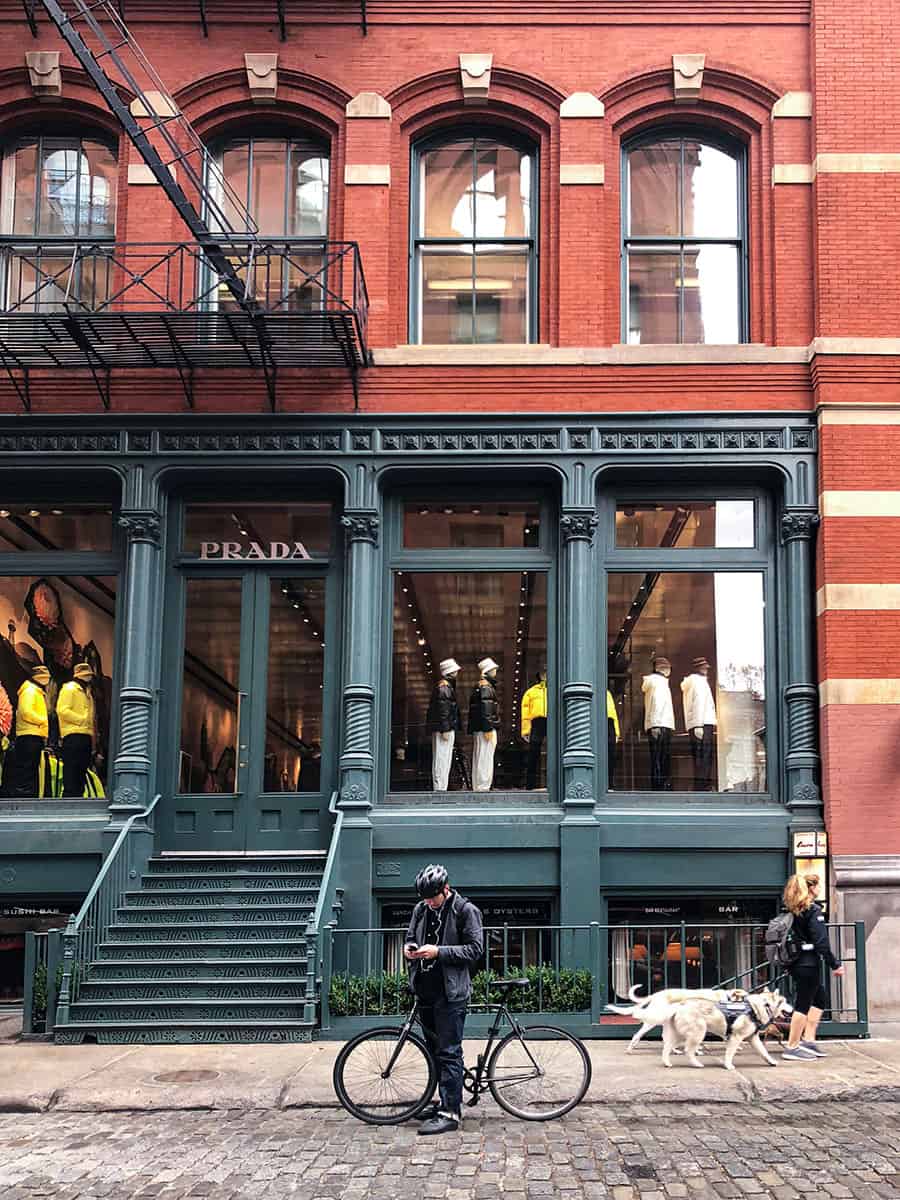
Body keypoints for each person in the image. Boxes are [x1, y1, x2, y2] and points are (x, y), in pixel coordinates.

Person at [404, 863, 484, 1135]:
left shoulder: (465, 911)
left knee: (449, 1052)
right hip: (425, 989)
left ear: (445, 889)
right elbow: (410, 936)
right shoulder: (421, 909)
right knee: (434, 1051)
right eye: (424, 897)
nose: (428, 902)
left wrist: (439, 952)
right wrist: (409, 949)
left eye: (432, 897)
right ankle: (442, 1102)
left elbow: (475, 950)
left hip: (451, 993)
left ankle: (451, 1112)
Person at [781, 872, 845, 1061]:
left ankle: (808, 1040)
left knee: (819, 999)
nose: (819, 888)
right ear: (811, 888)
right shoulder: (812, 910)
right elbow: (821, 942)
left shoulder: (792, 910)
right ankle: (792, 1047)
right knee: (803, 1004)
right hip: (808, 964)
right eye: (818, 885)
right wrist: (835, 964)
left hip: (796, 962)